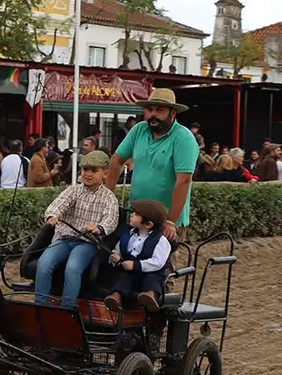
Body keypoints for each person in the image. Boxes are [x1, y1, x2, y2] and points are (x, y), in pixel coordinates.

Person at [105, 88, 199, 243]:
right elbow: (116, 160)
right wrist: (106, 197)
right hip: (136, 216)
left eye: (159, 110)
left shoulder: (184, 138)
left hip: (165, 220)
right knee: (128, 256)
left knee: (161, 258)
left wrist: (171, 221)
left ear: (173, 113)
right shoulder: (139, 130)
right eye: (149, 109)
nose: (152, 114)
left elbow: (183, 181)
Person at [32, 150, 120, 309]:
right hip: (64, 239)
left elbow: (111, 220)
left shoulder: (109, 197)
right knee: (44, 263)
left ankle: (67, 308)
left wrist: (99, 227)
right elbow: (57, 205)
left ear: (105, 174)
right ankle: (40, 306)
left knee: (72, 268)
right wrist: (52, 215)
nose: (88, 174)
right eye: (85, 169)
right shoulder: (73, 191)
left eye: (94, 170)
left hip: (87, 243)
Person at [104, 199, 172, 313]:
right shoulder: (128, 235)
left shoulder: (160, 240)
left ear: (148, 224)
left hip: (150, 271)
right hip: (130, 272)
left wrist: (136, 265)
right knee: (123, 278)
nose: (131, 215)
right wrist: (115, 257)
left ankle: (150, 296)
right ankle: (116, 297)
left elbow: (158, 262)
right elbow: (119, 249)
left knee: (153, 279)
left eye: (136, 215)